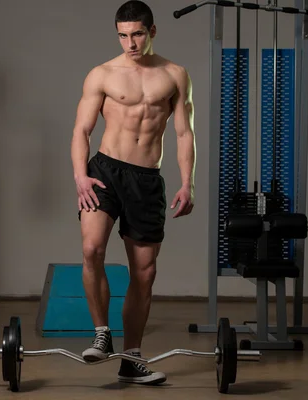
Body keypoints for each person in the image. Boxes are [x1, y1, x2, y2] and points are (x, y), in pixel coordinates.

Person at [70, 0, 196, 385]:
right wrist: (80, 176)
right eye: (123, 35)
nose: (130, 43)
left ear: (152, 31)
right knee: (92, 249)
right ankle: (102, 334)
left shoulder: (175, 75)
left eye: (137, 34)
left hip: (146, 180)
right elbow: (81, 131)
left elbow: (184, 132)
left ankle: (133, 357)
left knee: (144, 273)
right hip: (105, 171)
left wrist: (187, 181)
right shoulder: (102, 74)